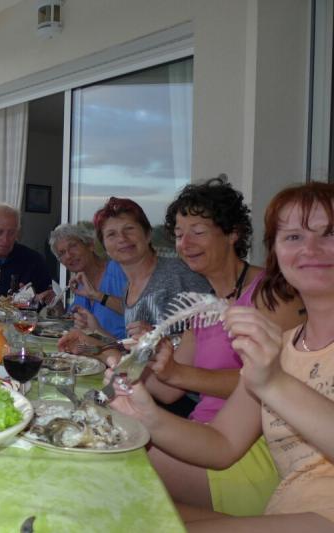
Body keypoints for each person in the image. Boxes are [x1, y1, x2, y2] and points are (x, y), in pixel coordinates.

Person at [110, 182, 334, 530]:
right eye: (293, 237)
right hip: (287, 506)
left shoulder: (270, 319)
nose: (310, 249)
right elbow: (223, 443)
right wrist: (146, 415)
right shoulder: (285, 346)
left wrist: (273, 382)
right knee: (115, 517)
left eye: (329, 233)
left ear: (233, 235)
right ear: (276, 250)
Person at [142, 177, 304, 517]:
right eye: (179, 234)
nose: (185, 243)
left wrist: (177, 373)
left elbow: (275, 381)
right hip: (203, 436)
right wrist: (119, 358)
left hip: (248, 452)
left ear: (232, 233)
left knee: (115, 460)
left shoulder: (272, 293)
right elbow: (167, 390)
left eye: (198, 231)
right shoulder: (205, 305)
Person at [59, 197, 210, 357]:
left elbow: (213, 338)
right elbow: (134, 354)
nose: (122, 239)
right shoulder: (129, 288)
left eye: (129, 229)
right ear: (105, 247)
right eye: (111, 234)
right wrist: (97, 330)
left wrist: (157, 338)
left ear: (148, 234)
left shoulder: (179, 275)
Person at [48, 223, 126, 339]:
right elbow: (77, 325)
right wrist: (59, 309)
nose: (68, 256)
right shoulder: (80, 285)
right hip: (92, 347)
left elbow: (138, 311)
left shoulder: (119, 270)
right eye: (62, 253)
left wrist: (97, 295)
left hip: (125, 347)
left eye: (73, 246)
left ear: (90, 245)